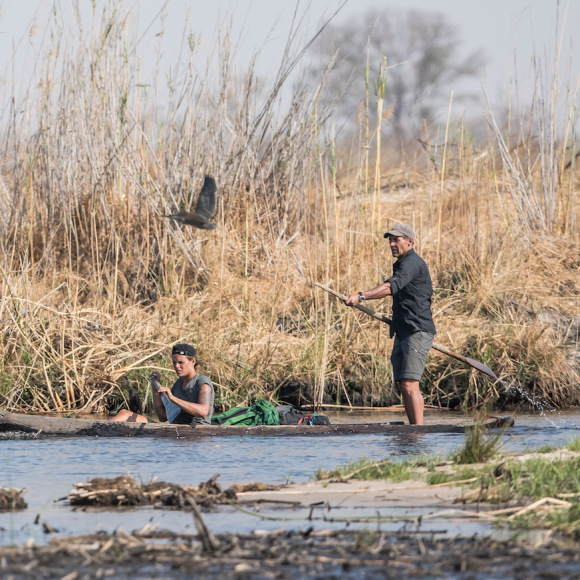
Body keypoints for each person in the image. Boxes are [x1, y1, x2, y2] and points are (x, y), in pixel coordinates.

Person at [345, 224, 436, 425]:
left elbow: (390, 287)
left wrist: (361, 296)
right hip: (403, 331)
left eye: (397, 240)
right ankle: (413, 429)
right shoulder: (403, 264)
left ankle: (417, 432)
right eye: (390, 241)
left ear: (410, 242)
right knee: (403, 385)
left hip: (417, 330)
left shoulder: (412, 262)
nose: (392, 244)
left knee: (411, 384)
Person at [110, 344, 214, 425]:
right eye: (174, 362)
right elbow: (163, 417)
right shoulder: (179, 383)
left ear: (193, 361)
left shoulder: (202, 382)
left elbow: (203, 412)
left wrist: (173, 399)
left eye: (180, 362)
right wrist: (155, 388)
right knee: (124, 414)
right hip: (175, 429)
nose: (176, 366)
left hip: (196, 433)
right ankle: (98, 431)